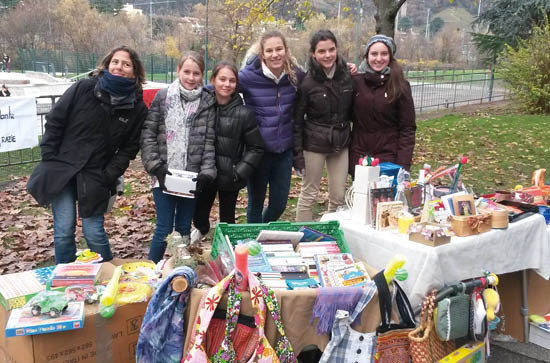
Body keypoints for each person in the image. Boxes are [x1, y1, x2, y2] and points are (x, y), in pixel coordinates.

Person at [26, 46, 148, 264]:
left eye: (126, 64)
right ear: (107, 63)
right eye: (115, 62)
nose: (119, 67)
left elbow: (130, 148)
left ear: (135, 71)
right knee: (64, 230)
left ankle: (108, 275)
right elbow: (55, 120)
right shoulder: (84, 88)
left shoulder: (136, 107)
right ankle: (65, 277)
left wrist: (110, 174)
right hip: (62, 169)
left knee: (94, 232)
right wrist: (49, 155)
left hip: (96, 175)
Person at [141, 51, 216, 263]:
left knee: (184, 227)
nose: (191, 77)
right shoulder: (163, 97)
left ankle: (180, 268)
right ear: (178, 71)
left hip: (190, 177)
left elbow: (209, 141)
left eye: (196, 73)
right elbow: (149, 134)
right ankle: (152, 270)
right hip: (164, 173)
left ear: (202, 75)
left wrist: (207, 172)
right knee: (163, 227)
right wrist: (156, 166)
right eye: (187, 72)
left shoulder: (206, 102)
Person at [191, 62, 264, 243]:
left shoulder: (244, 113)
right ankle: (203, 229)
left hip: (230, 176)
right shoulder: (203, 107)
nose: (226, 84)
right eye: (222, 79)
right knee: (198, 215)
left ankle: (226, 249)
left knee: (228, 220)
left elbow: (256, 147)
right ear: (213, 80)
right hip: (205, 174)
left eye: (232, 80)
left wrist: (239, 172)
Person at [238, 30, 304, 223]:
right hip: (258, 151)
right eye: (269, 50)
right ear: (262, 54)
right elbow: (222, 86)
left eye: (279, 49)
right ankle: (252, 245)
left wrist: (346, 69)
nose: (275, 54)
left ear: (286, 50)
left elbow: (318, 81)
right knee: (255, 203)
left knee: (279, 204)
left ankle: (261, 233)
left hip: (284, 151)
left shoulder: (295, 75)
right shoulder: (248, 76)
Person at [293, 30, 353, 222]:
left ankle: (332, 236)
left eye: (331, 50)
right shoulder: (307, 83)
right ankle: (301, 237)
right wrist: (298, 154)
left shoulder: (347, 76)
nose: (327, 55)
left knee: (338, 196)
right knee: (309, 193)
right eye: (322, 51)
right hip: (314, 144)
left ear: (337, 49)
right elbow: (297, 120)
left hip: (340, 142)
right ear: (313, 54)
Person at [350, 34, 416, 176]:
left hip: (389, 159)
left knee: (385, 199)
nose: (379, 59)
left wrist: (403, 165)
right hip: (360, 158)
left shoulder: (400, 86)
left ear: (390, 56)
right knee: (360, 197)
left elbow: (407, 129)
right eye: (374, 54)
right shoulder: (356, 82)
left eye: (384, 54)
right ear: (367, 56)